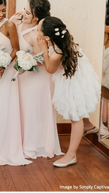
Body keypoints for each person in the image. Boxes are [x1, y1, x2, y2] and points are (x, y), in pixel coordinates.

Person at [37, 16, 101, 167]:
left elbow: (50, 69)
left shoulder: (55, 53)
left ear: (47, 37)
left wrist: (44, 50)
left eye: (38, 28)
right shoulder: (64, 40)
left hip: (72, 82)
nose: (36, 29)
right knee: (79, 110)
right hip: (78, 75)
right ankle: (87, 125)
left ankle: (71, 155)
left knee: (75, 116)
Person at [10, 0, 62, 159]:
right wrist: (12, 20)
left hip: (35, 78)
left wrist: (28, 62)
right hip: (21, 77)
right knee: (21, 110)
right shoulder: (18, 23)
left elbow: (44, 59)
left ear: (37, 18)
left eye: (27, 13)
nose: (23, 14)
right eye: (24, 10)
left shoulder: (38, 35)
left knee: (33, 110)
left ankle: (35, 144)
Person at [0, 0, 31, 165]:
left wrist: (4, 65)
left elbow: (16, 50)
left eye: (4, 10)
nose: (1, 14)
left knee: (4, 108)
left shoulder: (9, 25)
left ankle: (6, 147)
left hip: (6, 71)